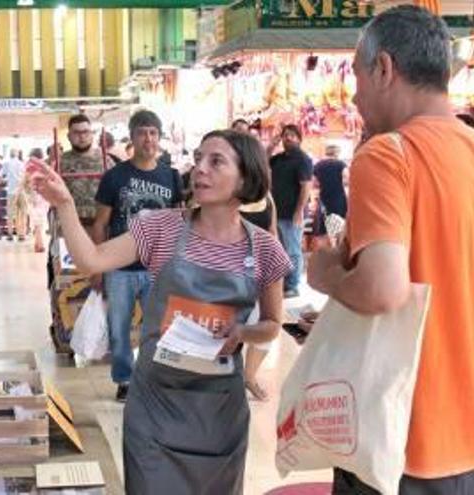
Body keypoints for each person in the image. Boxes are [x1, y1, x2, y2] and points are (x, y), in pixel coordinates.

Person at [29, 129, 291, 493]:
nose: (200, 169)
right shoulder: (161, 228)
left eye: (216, 162)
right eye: (198, 159)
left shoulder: (264, 249)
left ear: (246, 177)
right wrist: (65, 204)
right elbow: (93, 259)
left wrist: (244, 333)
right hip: (155, 406)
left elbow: (272, 325)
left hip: (219, 415)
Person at [304, 6, 474, 493]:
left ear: (384, 69)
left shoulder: (387, 153)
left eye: (357, 75)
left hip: (403, 435)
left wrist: (326, 276)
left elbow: (382, 290)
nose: (355, 95)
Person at [91, 110, 184, 401]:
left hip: (158, 267)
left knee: (157, 327)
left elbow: (179, 220)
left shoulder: (171, 176)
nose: (148, 138)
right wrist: (97, 267)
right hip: (120, 267)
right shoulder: (115, 176)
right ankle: (124, 379)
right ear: (132, 137)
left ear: (159, 137)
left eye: (153, 133)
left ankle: (152, 377)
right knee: (118, 327)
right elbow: (100, 223)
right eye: (142, 132)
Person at [239, 192, 279, 401]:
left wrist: (276, 264)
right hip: (230, 269)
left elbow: (272, 233)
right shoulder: (227, 190)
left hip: (261, 268)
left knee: (266, 325)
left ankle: (249, 377)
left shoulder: (266, 196)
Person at [269, 124, 313, 298]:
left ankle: (293, 285)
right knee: (279, 250)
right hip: (276, 212)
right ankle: (283, 283)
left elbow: (306, 186)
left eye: (292, 135)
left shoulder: (303, 159)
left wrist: (299, 211)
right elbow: (261, 160)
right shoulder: (278, 159)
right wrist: (272, 144)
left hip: (292, 214)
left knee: (293, 250)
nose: (288, 138)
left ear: (299, 139)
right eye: (285, 135)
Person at [60, 115, 109, 226]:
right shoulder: (61, 162)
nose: (82, 137)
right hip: (72, 224)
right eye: (76, 133)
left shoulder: (106, 159)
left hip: (101, 224)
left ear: (92, 134)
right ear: (69, 136)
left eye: (86, 132)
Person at [313, 144, 348, 246]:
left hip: (324, 199)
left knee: (323, 229)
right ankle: (337, 250)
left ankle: (325, 253)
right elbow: (346, 179)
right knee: (339, 227)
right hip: (338, 200)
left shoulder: (318, 165)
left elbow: (315, 183)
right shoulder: (341, 164)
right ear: (337, 153)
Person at [23, 148, 50, 252]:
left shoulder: (28, 165)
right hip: (42, 193)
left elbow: (25, 180)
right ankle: (39, 243)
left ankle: (38, 243)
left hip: (31, 193)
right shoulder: (43, 165)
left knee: (35, 219)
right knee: (41, 219)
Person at [1, 150, 27, 240]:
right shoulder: (22, 164)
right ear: (17, 155)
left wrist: (5, 180)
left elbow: (1, 176)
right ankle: (22, 234)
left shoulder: (6, 164)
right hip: (21, 191)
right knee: (22, 213)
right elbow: (25, 176)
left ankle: (10, 234)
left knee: (10, 213)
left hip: (11, 191)